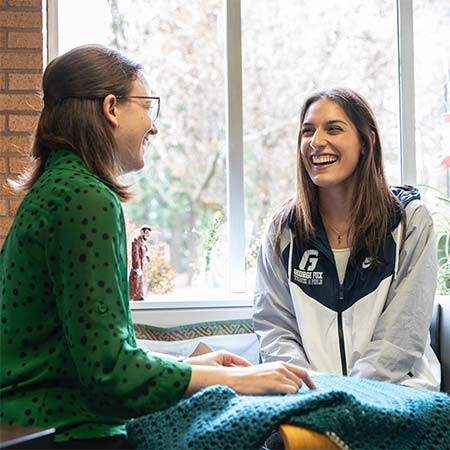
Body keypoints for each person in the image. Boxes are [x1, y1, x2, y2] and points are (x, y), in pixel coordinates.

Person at [0, 45, 315, 449]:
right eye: (148, 107)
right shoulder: (86, 198)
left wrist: (188, 366)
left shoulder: (54, 189)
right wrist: (236, 378)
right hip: (69, 433)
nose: (154, 127)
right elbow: (111, 374)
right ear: (111, 108)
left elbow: (84, 357)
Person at [253, 87, 441, 392]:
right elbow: (275, 327)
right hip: (310, 398)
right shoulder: (282, 230)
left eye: (334, 129)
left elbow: (403, 334)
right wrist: (311, 392)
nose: (316, 142)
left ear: (366, 141)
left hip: (399, 395)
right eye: (307, 131)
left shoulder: (411, 223)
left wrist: (351, 396)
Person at [129, 225, 151, 300]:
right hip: (137, 267)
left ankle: (140, 295)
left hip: (142, 265)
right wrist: (137, 267)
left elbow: (146, 252)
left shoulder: (143, 242)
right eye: (146, 232)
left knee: (141, 281)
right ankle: (135, 296)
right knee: (136, 281)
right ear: (142, 232)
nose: (148, 235)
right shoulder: (136, 241)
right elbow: (135, 254)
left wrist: (147, 257)